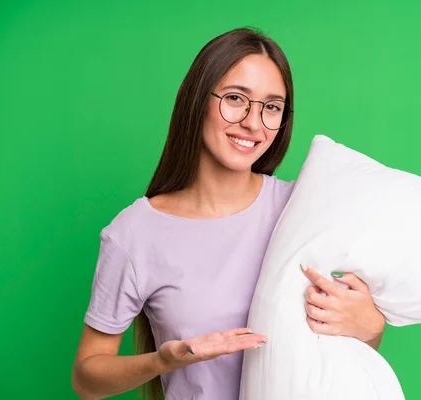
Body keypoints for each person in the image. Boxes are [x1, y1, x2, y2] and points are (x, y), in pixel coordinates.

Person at [71, 27, 386, 400]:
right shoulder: (135, 234)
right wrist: (163, 361)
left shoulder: (304, 209)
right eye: (236, 99)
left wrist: (370, 324)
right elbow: (87, 378)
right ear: (196, 101)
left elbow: (352, 344)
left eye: (271, 107)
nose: (253, 123)